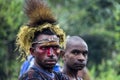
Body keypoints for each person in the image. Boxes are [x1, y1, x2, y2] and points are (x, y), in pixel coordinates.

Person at [16, 0, 69, 80]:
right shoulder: (31, 77)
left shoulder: (59, 77)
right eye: (44, 48)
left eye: (55, 47)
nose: (51, 53)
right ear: (32, 51)